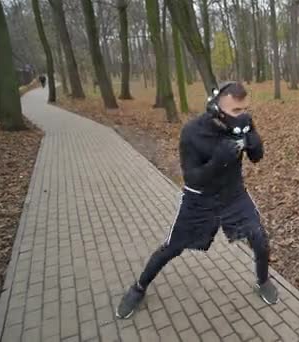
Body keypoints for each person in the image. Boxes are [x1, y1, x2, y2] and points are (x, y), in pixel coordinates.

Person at [116, 81, 278, 319]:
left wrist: (256, 144)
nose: (243, 116)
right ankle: (138, 288)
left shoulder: (244, 121)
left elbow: (256, 157)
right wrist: (216, 162)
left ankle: (263, 280)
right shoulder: (192, 132)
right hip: (199, 200)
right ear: (216, 109)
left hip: (233, 195)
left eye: (245, 109)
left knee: (260, 238)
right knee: (172, 248)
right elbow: (192, 177)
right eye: (236, 110)